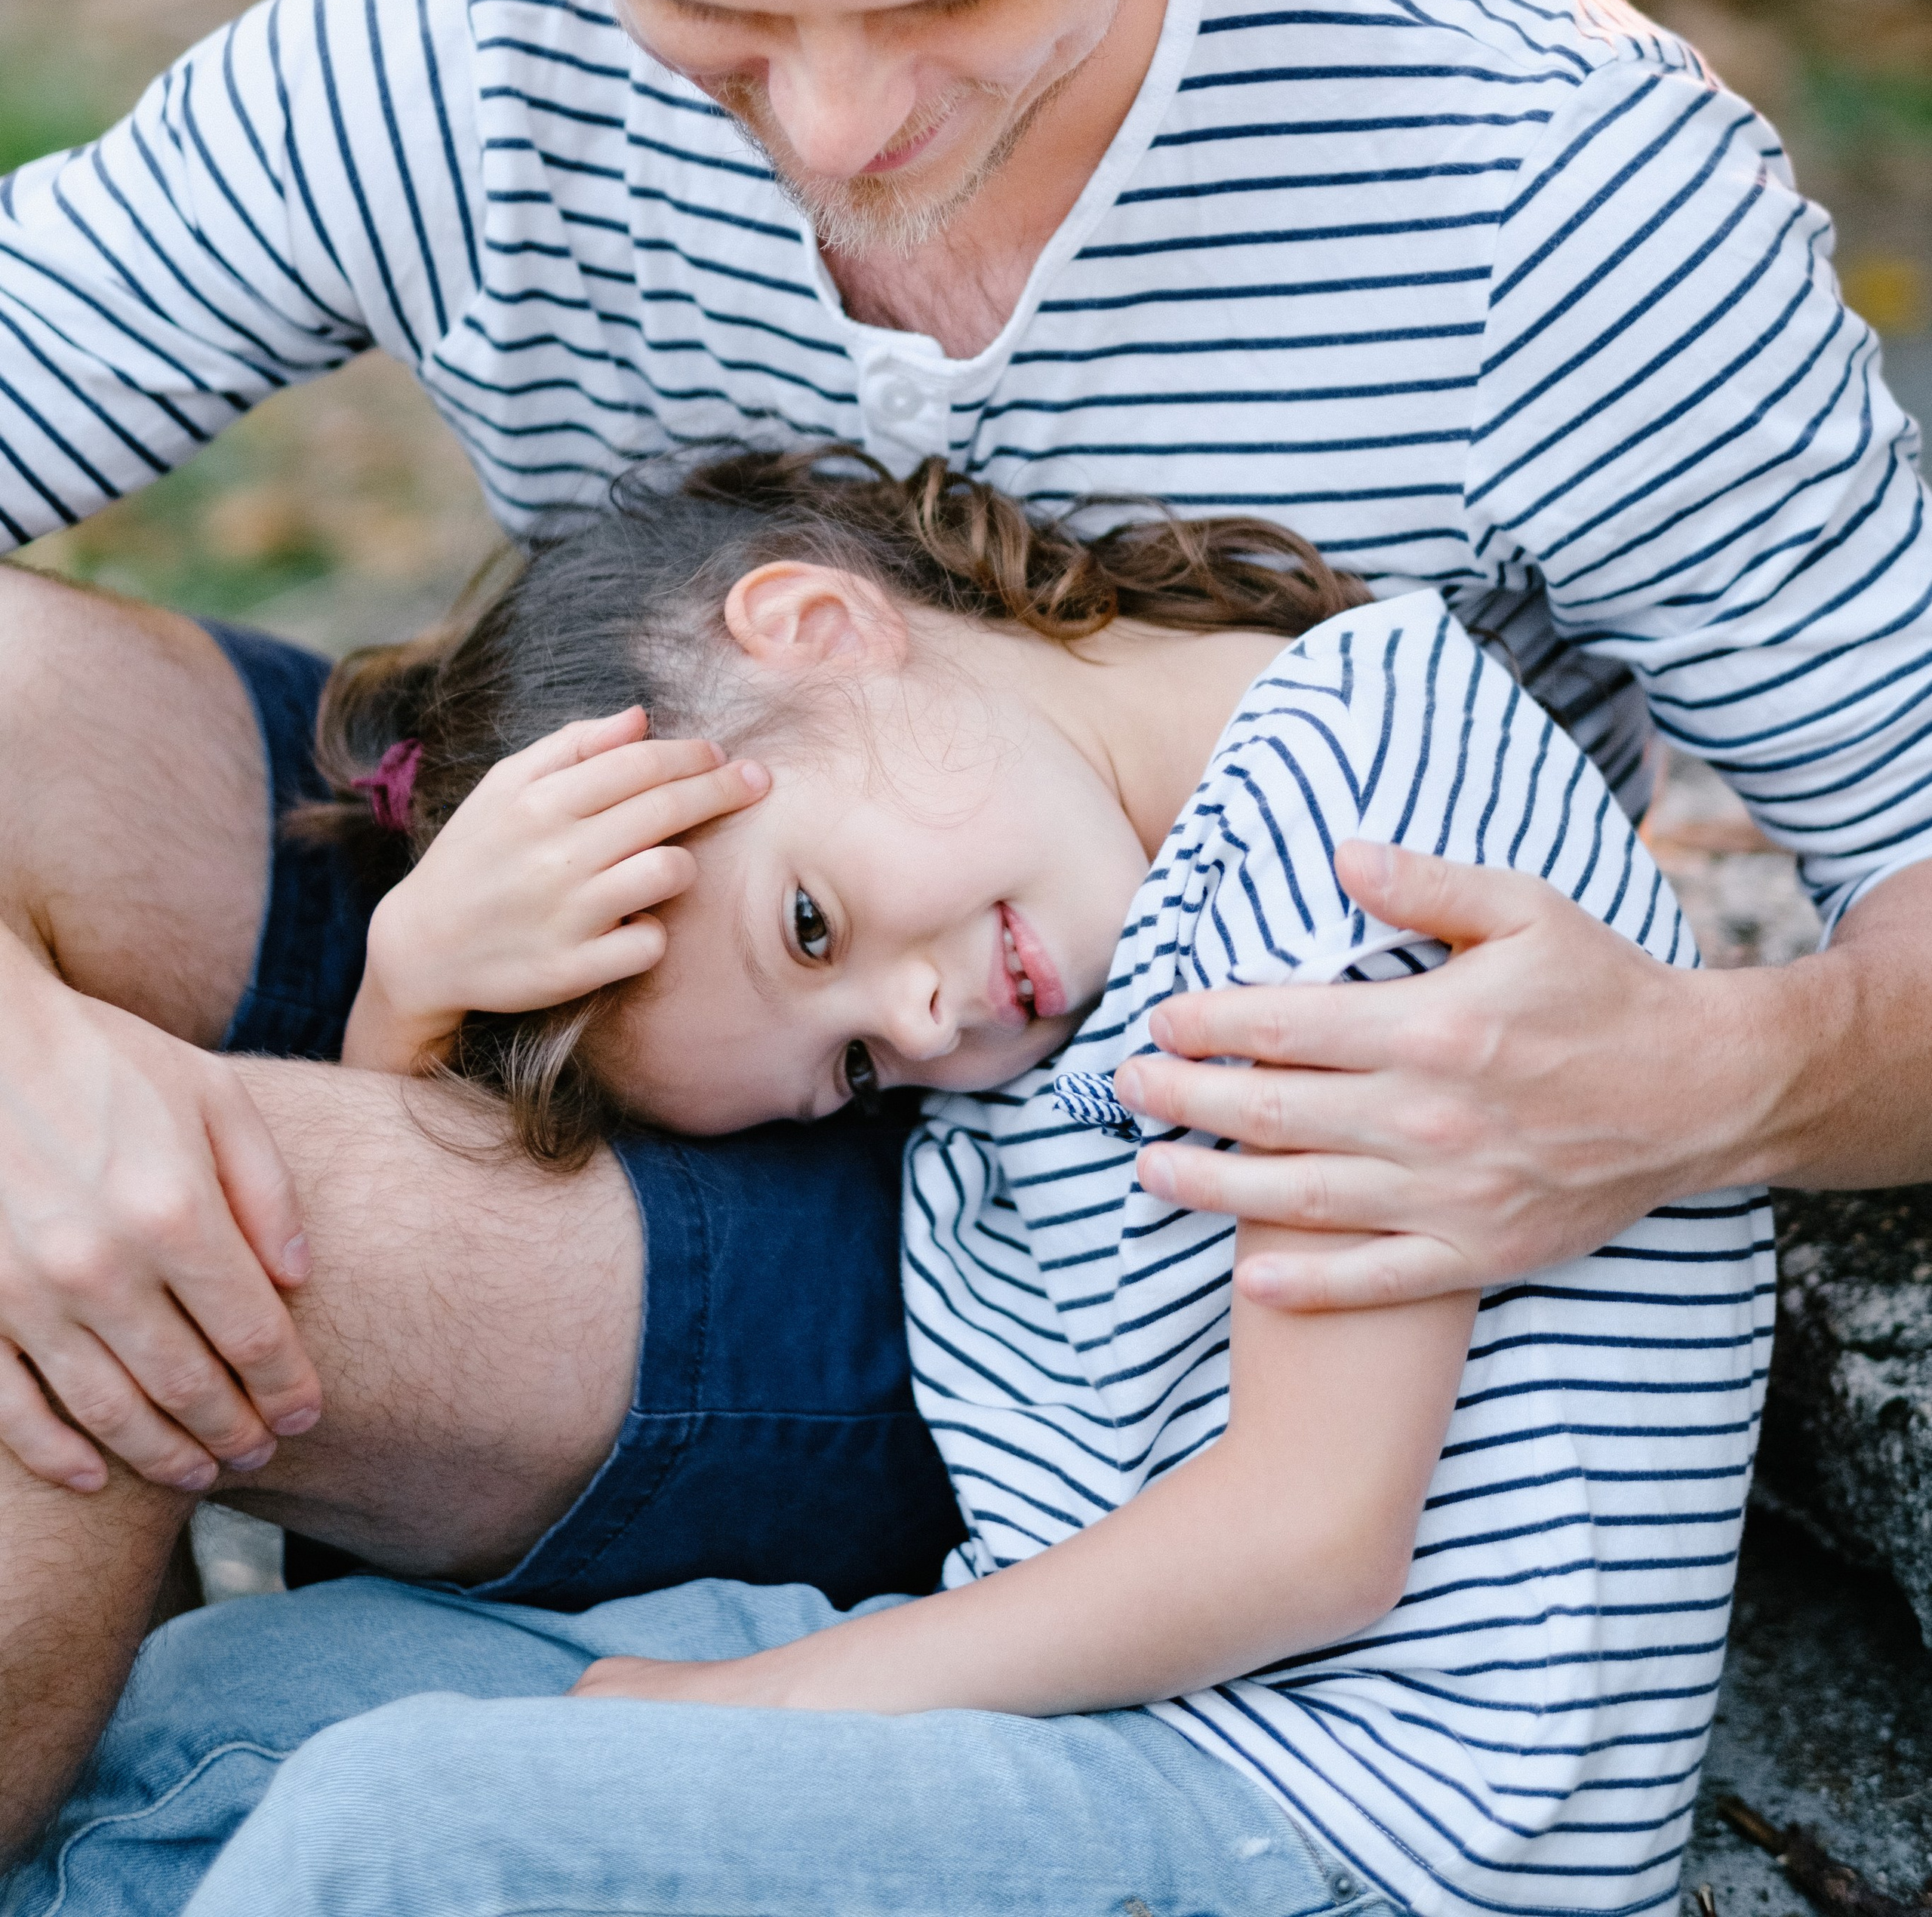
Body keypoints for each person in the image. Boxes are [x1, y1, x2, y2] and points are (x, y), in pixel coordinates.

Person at [0, 0, 1927, 1854]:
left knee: (141, 1253)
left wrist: (1713, 1076)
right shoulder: (463, 51)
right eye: (709, 9)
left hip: (1116, 1299)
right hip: (656, 931)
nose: (837, 124)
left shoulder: (1550, 193)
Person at [8, 451, 1770, 1917]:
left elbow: (1308, 1539)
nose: (916, 1025)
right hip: (1115, 1707)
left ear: (816, 627)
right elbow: (418, 1307)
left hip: (1363, 1817)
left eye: (807, 925)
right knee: (213, 1713)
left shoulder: (1362, 804)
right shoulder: (1040, 956)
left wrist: (749, 1709)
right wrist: (408, 992)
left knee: (397, 1831)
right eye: (851, 1069)